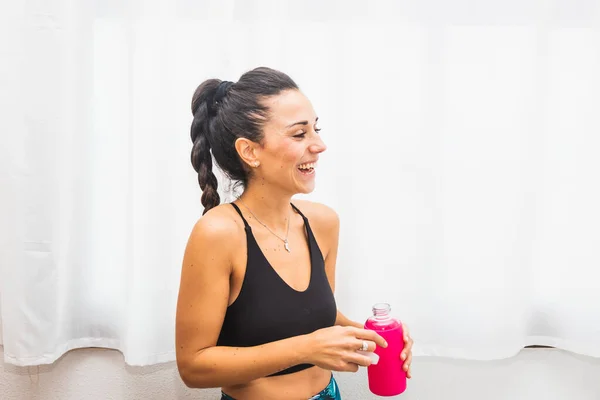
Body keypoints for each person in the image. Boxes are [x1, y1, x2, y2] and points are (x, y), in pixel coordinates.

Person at [175, 67, 413, 400]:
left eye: (316, 129)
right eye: (299, 134)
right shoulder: (217, 234)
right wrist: (306, 348)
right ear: (250, 151)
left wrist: (375, 336)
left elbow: (319, 321)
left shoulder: (323, 223)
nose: (320, 145)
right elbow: (194, 367)